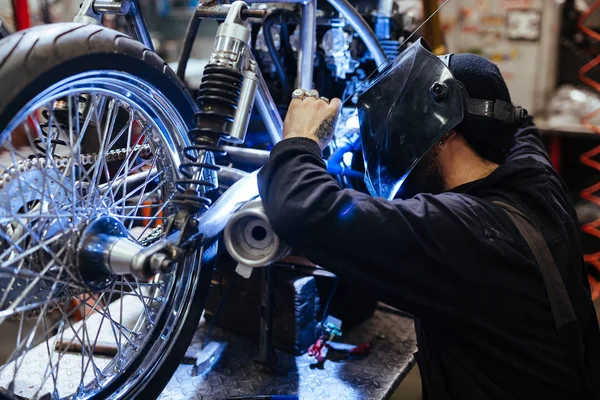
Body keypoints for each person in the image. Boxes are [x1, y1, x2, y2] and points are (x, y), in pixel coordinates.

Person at [257, 39, 600, 399]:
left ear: (445, 132)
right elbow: (520, 123)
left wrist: (299, 139)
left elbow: (303, 209)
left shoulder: (467, 235)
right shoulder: (533, 177)